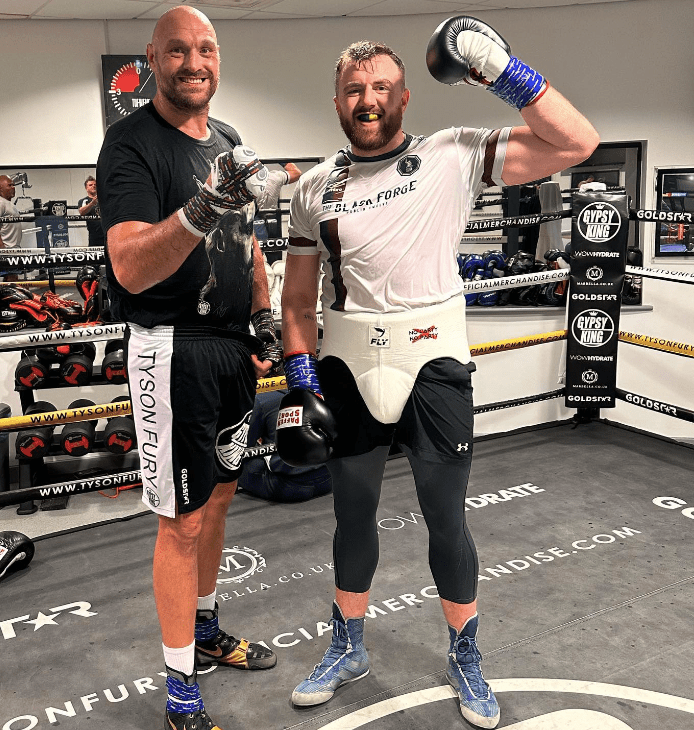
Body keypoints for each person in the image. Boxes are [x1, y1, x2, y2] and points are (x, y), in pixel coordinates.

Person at [278, 19, 599, 730]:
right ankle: (348, 644)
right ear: (336, 102)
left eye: (382, 86)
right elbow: (297, 301)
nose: (368, 98)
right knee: (351, 513)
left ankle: (464, 653)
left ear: (405, 95)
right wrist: (299, 381)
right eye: (354, 89)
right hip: (347, 363)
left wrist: (500, 70)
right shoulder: (313, 190)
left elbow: (577, 142)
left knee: (445, 519)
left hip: (434, 359)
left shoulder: (452, 154)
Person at [96, 6, 286, 730]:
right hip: (171, 349)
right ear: (153, 59)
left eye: (205, 48)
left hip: (234, 347)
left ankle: (205, 631)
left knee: (219, 502)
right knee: (179, 521)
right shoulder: (130, 144)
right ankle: (179, 686)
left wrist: (264, 312)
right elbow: (131, 266)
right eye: (177, 50)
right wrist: (201, 207)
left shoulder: (229, 139)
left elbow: (251, 241)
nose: (194, 62)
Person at [238, 389, 332, 502]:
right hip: (328, 480)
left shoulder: (264, 400)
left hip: (289, 487)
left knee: (230, 464)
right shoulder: (320, 389)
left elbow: (244, 445)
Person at [0, 175, 23, 282]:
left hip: (13, 249)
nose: (13, 187)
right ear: (0, 189)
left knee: (13, 279)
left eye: (14, 185)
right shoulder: (0, 203)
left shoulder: (8, 203)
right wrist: (3, 249)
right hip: (7, 250)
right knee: (12, 281)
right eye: (10, 185)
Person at [77, 175, 106, 247]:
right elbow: (81, 212)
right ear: (86, 188)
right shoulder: (84, 201)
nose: (93, 186)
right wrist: (92, 204)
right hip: (94, 234)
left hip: (106, 232)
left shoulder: (104, 199)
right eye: (90, 185)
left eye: (95, 185)